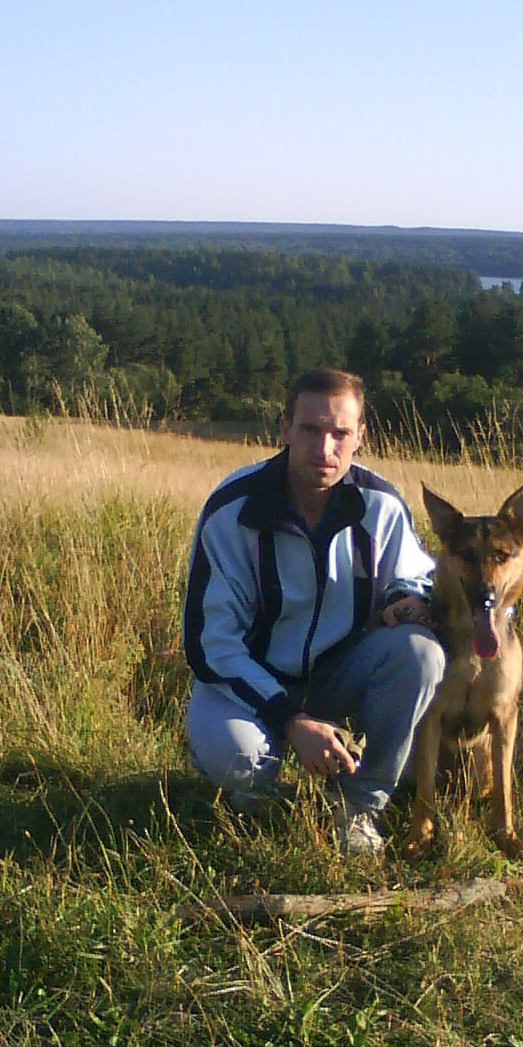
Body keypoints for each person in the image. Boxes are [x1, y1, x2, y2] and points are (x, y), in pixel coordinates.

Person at [183, 367, 445, 858]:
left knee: (420, 653)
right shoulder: (233, 510)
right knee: (239, 761)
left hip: (337, 675)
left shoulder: (381, 506)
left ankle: (358, 806)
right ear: (285, 429)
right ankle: (254, 791)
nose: (325, 449)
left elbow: (416, 577)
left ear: (361, 436)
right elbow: (209, 643)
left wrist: (403, 601)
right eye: (310, 429)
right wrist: (291, 721)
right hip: (251, 683)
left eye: (340, 433)